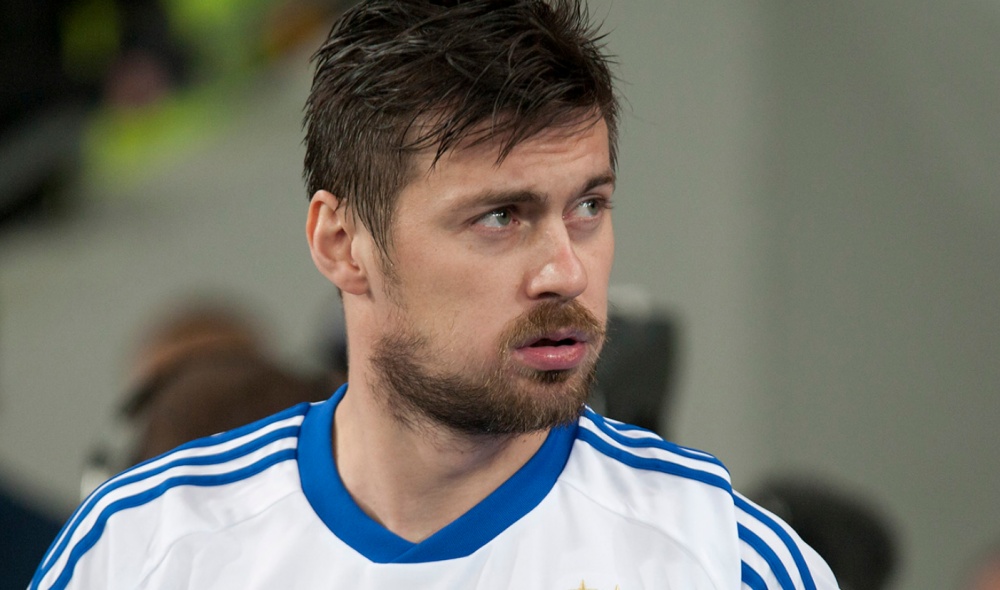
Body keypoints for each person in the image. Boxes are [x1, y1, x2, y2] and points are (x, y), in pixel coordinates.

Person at [31, 1, 840, 588]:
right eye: (500, 217)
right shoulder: (141, 550)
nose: (565, 270)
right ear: (341, 244)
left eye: (588, 207)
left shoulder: (722, 560)